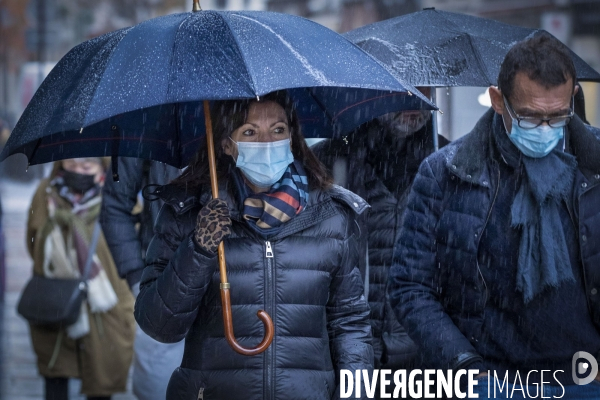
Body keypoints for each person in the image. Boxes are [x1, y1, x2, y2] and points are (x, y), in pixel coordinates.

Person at [388, 33, 600, 399]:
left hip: (585, 379)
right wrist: (466, 368)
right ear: (499, 101)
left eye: (558, 116)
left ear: (573, 98)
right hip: (488, 381)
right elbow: (409, 285)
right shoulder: (446, 173)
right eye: (531, 116)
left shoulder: (594, 167)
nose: (546, 129)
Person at [134, 91, 373, 399]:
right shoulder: (188, 213)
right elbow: (160, 326)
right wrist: (199, 249)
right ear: (227, 145)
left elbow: (350, 324)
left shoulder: (331, 214)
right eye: (249, 132)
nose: (267, 143)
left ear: (292, 138)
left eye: (278, 130)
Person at [312, 95, 448, 397]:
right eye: (401, 87)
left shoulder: (450, 162)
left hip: (424, 359)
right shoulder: (328, 161)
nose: (415, 96)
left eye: (423, 84)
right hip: (344, 356)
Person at [26, 158, 135, 400]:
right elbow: (32, 241)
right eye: (71, 166)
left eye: (86, 167)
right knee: (55, 374)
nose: (78, 172)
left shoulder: (119, 198)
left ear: (102, 169)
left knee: (102, 377)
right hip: (55, 301)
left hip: (107, 305)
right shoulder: (45, 193)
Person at [100, 158, 184, 400]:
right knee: (157, 381)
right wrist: (136, 275)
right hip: (160, 276)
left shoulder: (237, 123)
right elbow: (114, 204)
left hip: (229, 280)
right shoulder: (146, 129)